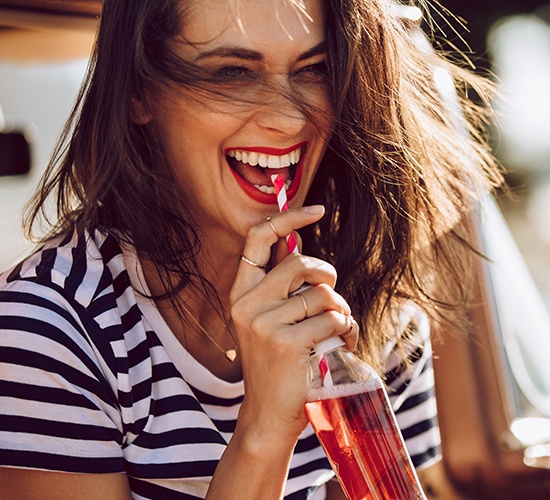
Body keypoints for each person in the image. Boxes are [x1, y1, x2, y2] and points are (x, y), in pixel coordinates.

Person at [0, 0, 502, 498]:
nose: (287, 120)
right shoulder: (47, 333)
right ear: (138, 92)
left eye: (315, 69)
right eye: (232, 73)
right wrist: (263, 428)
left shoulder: (371, 303)